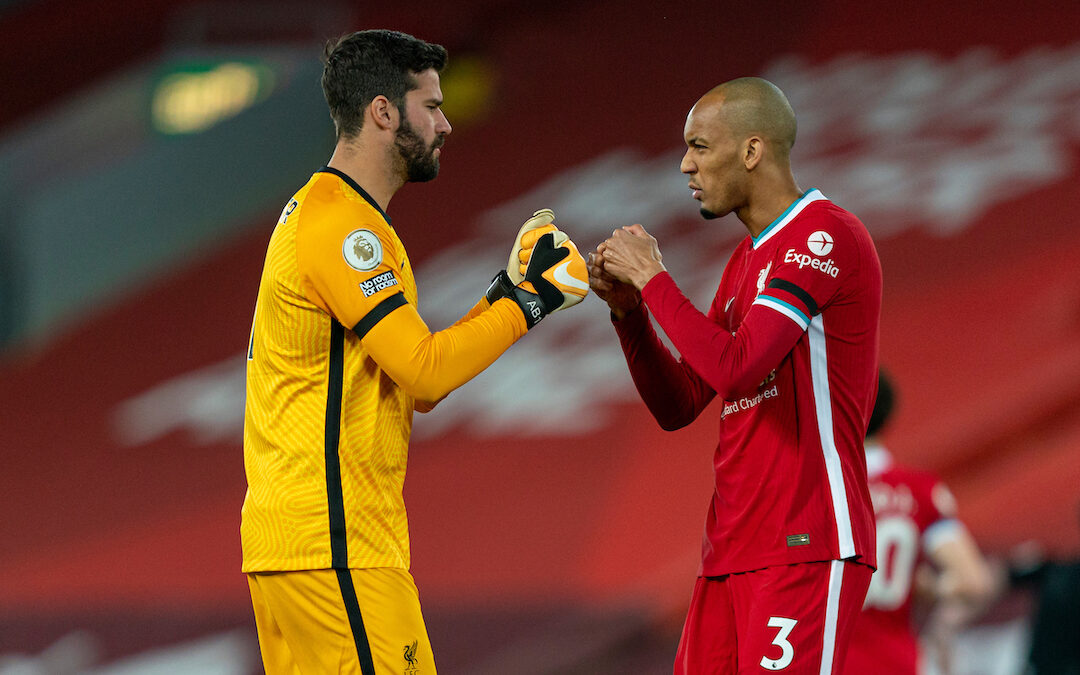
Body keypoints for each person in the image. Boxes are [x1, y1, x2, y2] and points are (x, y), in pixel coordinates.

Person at [240, 29, 588, 674]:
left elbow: (412, 374)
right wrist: (532, 300)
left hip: (303, 546)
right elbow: (424, 374)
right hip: (336, 545)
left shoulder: (335, 214)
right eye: (431, 105)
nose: (446, 123)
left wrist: (507, 293)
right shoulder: (346, 229)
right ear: (382, 111)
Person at [588, 77, 882, 673]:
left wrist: (654, 279)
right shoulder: (745, 263)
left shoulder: (823, 237)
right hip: (730, 554)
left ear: (751, 151)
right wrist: (629, 314)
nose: (684, 164)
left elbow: (740, 369)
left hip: (805, 541)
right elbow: (680, 405)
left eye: (699, 146)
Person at [844, 370, 998, 675]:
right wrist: (927, 587)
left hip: (830, 660)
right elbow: (974, 581)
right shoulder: (919, 490)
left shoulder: (817, 492)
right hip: (897, 660)